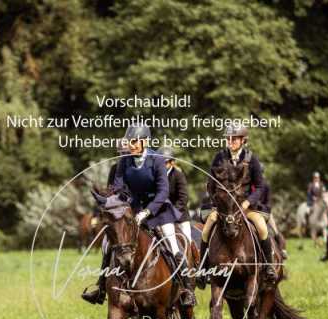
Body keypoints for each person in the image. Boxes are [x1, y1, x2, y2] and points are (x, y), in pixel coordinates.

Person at [82, 124, 195, 306]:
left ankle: (186, 289)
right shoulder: (124, 161)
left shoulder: (157, 160)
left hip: (158, 210)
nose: (131, 145)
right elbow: (118, 187)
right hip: (132, 209)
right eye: (129, 142)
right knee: (106, 244)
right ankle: (101, 288)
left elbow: (163, 191)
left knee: (173, 244)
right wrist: (117, 203)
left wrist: (147, 212)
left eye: (134, 142)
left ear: (144, 142)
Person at [198, 124, 276, 286]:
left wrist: (248, 202)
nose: (231, 141)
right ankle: (203, 268)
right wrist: (217, 201)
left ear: (243, 140)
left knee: (261, 226)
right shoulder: (219, 157)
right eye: (228, 138)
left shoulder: (251, 159)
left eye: (234, 139)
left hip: (246, 207)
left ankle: (268, 266)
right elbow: (210, 183)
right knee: (206, 229)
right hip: (224, 209)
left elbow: (260, 186)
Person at [157, 146, 192, 246]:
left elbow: (183, 198)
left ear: (172, 162)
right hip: (162, 216)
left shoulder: (178, 175)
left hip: (180, 215)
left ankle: (195, 260)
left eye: (164, 163)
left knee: (188, 240)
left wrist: (172, 213)